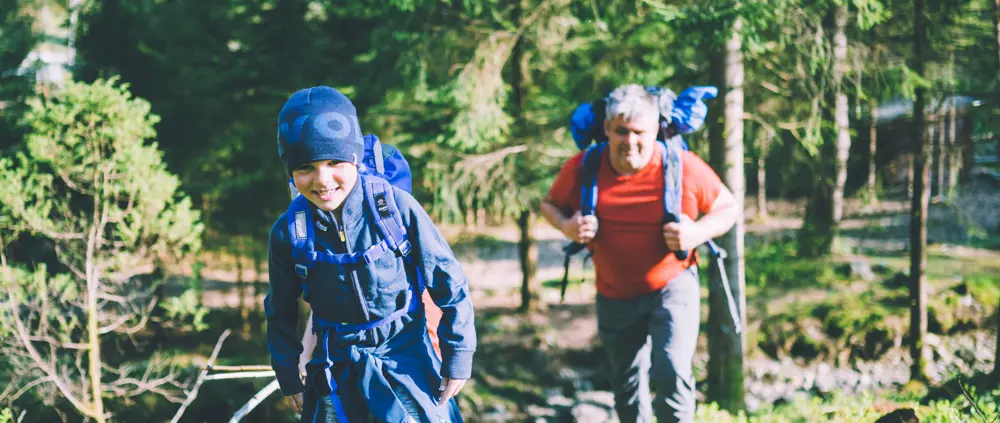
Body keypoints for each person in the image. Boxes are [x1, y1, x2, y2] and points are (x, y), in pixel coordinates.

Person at [265, 85, 476, 423]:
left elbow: (448, 280)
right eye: (306, 167)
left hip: (405, 354)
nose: (323, 180)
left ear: (354, 158)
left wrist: (458, 355)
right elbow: (280, 309)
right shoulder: (288, 232)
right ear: (290, 171)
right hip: (335, 364)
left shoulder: (395, 208)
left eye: (334, 162)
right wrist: (288, 374)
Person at [540, 83, 741, 423]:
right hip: (614, 295)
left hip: (672, 287)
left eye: (639, 133)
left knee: (672, 371)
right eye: (620, 131)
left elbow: (728, 208)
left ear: (655, 131)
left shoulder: (682, 167)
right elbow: (549, 205)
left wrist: (695, 233)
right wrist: (567, 226)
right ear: (606, 129)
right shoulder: (584, 167)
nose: (629, 142)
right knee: (627, 384)